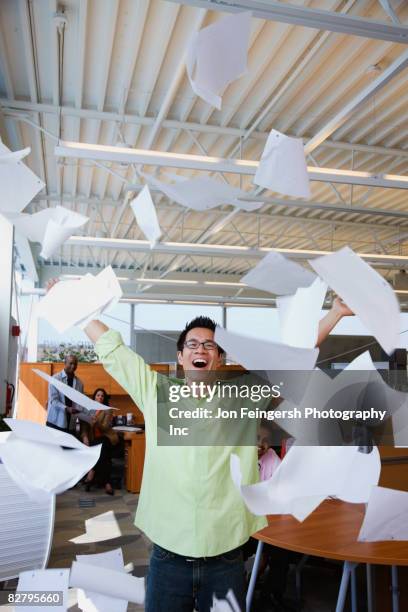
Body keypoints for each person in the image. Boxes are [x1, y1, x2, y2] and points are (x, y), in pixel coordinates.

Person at [80, 297, 352, 612]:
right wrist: (75, 305)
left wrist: (335, 314)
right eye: (192, 345)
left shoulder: (244, 398)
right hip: (168, 558)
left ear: (220, 360)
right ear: (180, 357)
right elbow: (116, 353)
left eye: (210, 346)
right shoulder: (156, 393)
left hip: (226, 560)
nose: (201, 350)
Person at [81, 388, 119, 496]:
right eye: (98, 395)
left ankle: (92, 472)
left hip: (106, 437)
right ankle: (107, 483)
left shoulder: (108, 410)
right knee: (104, 455)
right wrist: (84, 437)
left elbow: (105, 428)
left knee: (102, 446)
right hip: (93, 439)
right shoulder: (89, 409)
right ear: (94, 397)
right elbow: (84, 426)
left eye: (102, 396)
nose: (100, 397)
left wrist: (96, 421)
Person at [46, 354, 83, 432]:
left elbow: (80, 403)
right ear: (65, 363)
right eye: (71, 363)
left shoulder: (80, 383)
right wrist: (66, 409)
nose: (73, 366)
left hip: (71, 425)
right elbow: (53, 401)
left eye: (75, 364)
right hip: (55, 422)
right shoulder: (55, 379)